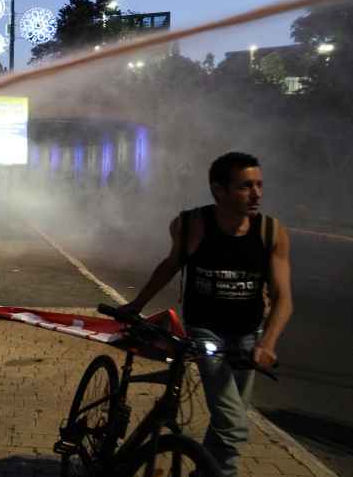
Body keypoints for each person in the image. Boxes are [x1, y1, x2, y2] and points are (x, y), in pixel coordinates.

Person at [118, 152, 293, 477]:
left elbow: (284, 298)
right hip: (205, 334)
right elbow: (170, 266)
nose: (256, 194)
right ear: (219, 191)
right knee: (233, 425)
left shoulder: (271, 232)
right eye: (245, 187)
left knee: (230, 418)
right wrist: (137, 305)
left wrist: (267, 343)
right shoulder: (191, 225)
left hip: (248, 336)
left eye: (259, 185)